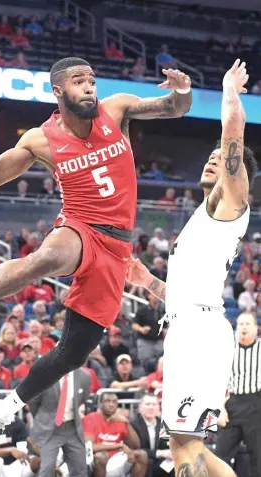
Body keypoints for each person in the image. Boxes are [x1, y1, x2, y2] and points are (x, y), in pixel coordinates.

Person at [0, 56, 192, 457]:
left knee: (75, 352)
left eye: (92, 81)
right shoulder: (39, 139)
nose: (89, 88)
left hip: (118, 247)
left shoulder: (116, 109)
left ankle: (2, 410)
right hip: (80, 225)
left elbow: (173, 107)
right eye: (79, 81)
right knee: (48, 257)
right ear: (58, 90)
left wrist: (182, 90)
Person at [126, 59, 258, 475]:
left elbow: (233, 132)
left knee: (185, 449)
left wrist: (228, 89)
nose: (212, 161)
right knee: (190, 447)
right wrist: (147, 280)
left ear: (238, 175)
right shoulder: (202, 217)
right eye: (210, 156)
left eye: (221, 160)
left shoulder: (230, 203)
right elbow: (186, 294)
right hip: (192, 326)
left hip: (199, 334)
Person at [215, 312, 261, 476]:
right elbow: (218, 382)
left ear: (256, 329)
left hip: (256, 404)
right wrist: (219, 407)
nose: (244, 327)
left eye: (248, 324)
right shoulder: (227, 351)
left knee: (258, 458)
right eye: (241, 324)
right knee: (220, 455)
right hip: (232, 405)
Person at [28, 368, 91, 476]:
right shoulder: (44, 375)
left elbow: (83, 398)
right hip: (49, 429)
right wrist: (43, 420)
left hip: (72, 427)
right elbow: (34, 402)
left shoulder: (84, 376)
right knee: (47, 469)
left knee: (80, 468)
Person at [83, 392, 147, 477]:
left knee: (142, 455)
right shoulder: (90, 418)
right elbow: (90, 447)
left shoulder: (119, 420)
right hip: (96, 460)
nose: (111, 404)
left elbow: (136, 446)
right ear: (100, 404)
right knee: (101, 456)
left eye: (114, 402)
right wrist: (120, 445)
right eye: (107, 401)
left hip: (116, 457)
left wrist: (126, 423)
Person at [0, 387, 41, 477]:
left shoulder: (14, 421)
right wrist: (10, 450)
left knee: (39, 463)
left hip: (16, 463)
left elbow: (24, 444)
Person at [131, 393, 173, 477]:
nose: (151, 407)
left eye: (154, 404)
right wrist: (159, 453)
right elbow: (136, 450)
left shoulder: (163, 423)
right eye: (147, 404)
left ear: (158, 407)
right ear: (140, 407)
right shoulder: (133, 424)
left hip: (161, 461)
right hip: (141, 462)